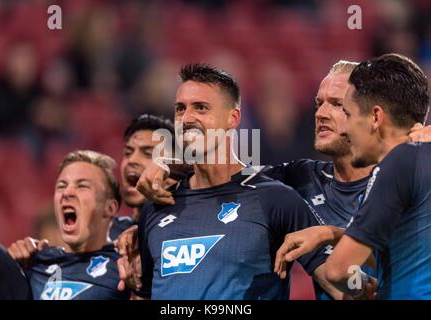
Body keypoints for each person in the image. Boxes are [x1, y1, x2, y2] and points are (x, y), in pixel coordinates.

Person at [135, 61, 431, 299]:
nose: (322, 113)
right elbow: (228, 179)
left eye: (339, 105)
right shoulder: (298, 181)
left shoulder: (417, 172)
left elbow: (342, 272)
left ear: (372, 114)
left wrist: (331, 234)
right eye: (319, 103)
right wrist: (168, 165)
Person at [132, 63, 342, 300]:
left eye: (201, 108)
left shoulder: (275, 199)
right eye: (180, 109)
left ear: (233, 118)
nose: (187, 118)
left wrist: (340, 235)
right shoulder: (157, 207)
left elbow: (343, 288)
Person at [324, 53, 431, 299]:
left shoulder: (397, 163)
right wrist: (331, 234)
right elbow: (407, 247)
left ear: (376, 117)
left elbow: (338, 270)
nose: (343, 129)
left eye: (348, 115)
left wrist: (366, 287)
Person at [8, 150, 131, 300]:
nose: (67, 192)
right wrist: (11, 266)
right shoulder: (33, 263)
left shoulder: (126, 267)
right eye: (61, 186)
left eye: (82, 186)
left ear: (109, 208)